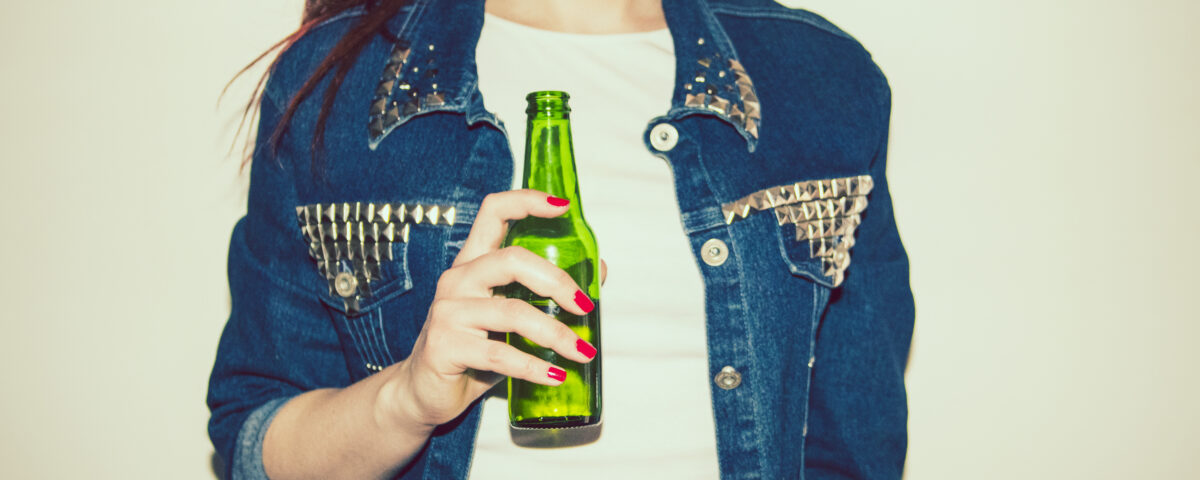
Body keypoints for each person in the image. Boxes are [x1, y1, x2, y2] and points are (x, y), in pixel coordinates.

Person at [207, 0, 915, 478]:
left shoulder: (824, 77)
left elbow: (855, 443)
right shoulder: (338, 79)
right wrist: (407, 399)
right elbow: (253, 443)